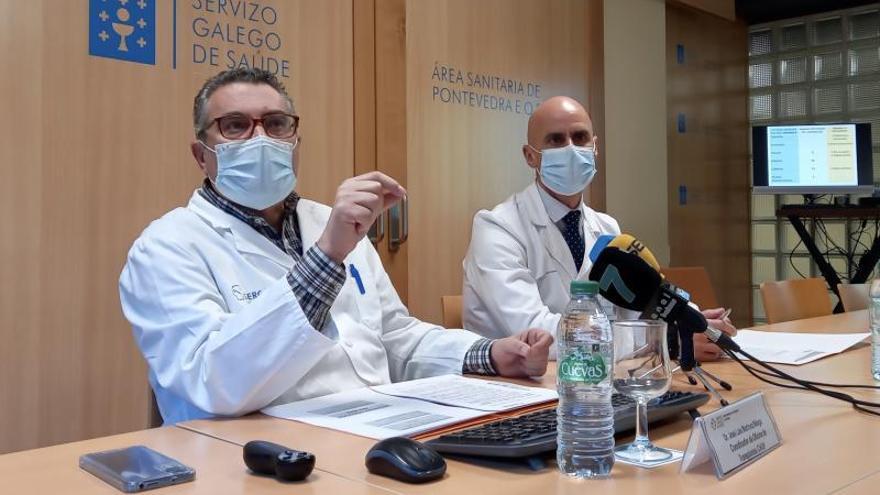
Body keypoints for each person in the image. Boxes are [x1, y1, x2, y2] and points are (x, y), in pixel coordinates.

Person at [119, 68, 552, 424]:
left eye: (275, 124)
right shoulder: (166, 247)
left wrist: (490, 354)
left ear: (295, 142)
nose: (260, 139)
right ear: (201, 155)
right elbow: (212, 382)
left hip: (375, 431)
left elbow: (396, 340)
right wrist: (326, 258)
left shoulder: (330, 224)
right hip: (252, 458)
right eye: (234, 126)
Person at [461, 96, 735, 361]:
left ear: (595, 148)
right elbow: (536, 334)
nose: (570, 149)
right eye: (556, 140)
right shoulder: (497, 228)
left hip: (594, 382)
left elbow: (637, 308)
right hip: (518, 391)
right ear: (530, 156)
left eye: (579, 138)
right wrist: (665, 341)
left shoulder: (606, 227)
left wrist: (693, 321)